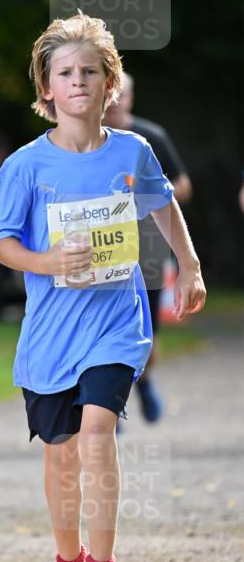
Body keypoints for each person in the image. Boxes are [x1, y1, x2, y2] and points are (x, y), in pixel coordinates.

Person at [0, 12, 205, 562]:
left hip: (116, 320)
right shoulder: (27, 165)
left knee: (98, 437)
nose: (78, 81)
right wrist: (46, 261)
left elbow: (161, 206)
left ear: (111, 83)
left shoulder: (134, 152)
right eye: (65, 73)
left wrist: (188, 268)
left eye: (90, 71)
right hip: (52, 333)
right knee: (62, 458)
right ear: (46, 88)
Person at [103, 73, 193, 422]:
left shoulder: (149, 137)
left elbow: (184, 186)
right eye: (111, 95)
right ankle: (112, 404)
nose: (114, 102)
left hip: (149, 247)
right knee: (108, 328)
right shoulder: (87, 141)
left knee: (146, 334)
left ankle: (144, 383)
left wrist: (151, 191)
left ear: (130, 99)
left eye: (121, 95)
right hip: (107, 249)